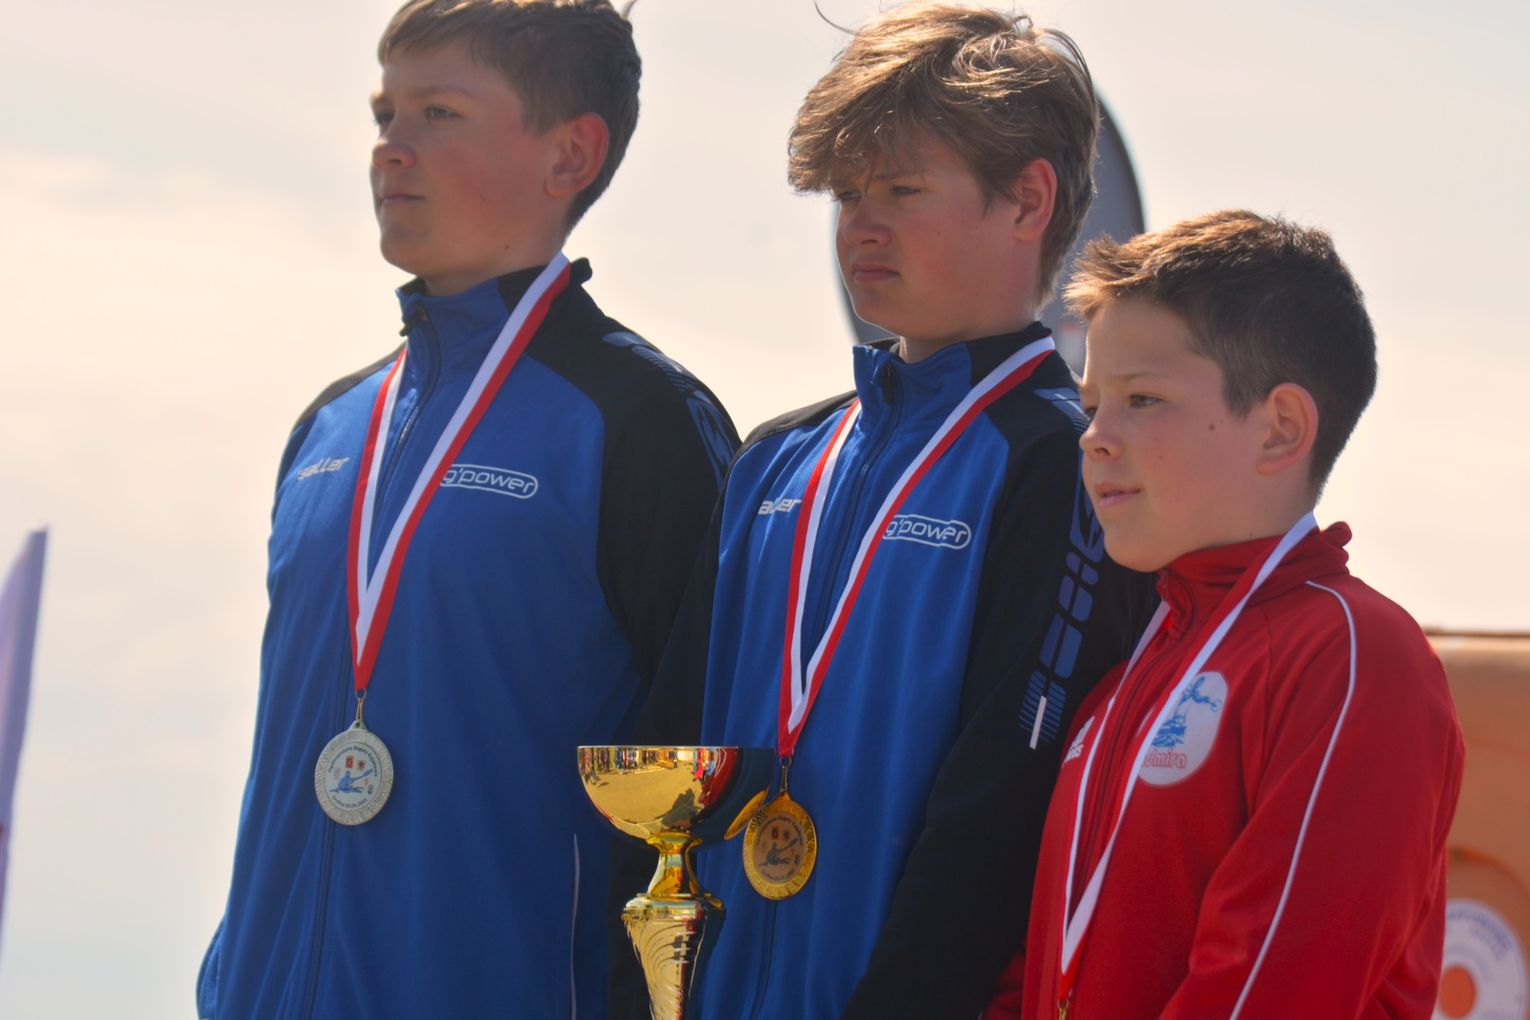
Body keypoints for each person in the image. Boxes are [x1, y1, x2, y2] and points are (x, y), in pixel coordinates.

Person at [611, 5, 1155, 1017]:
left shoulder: (1068, 467)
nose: (860, 225)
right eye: (847, 193)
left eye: (902, 190)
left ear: (1029, 198)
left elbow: (1004, 803)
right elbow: (669, 765)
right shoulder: (775, 459)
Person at [196, 2, 737, 1017]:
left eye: (438, 113)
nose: (389, 149)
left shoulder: (641, 420)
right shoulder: (330, 426)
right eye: (384, 113)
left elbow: (699, 786)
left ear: (570, 155)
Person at [1018, 211, 1465, 1019]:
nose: (1094, 438)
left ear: (1280, 430)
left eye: (1141, 399)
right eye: (1092, 405)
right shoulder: (1127, 677)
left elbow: (1274, 989)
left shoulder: (1355, 654)